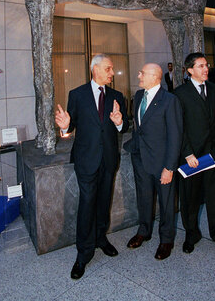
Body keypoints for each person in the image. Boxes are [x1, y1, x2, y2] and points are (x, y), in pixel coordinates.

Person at [55, 54, 129, 280]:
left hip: (108, 159)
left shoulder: (117, 96)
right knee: (87, 204)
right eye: (108, 68)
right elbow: (70, 125)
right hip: (86, 160)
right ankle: (83, 253)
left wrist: (119, 122)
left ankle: (100, 238)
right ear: (95, 69)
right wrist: (66, 128)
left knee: (104, 201)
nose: (111, 73)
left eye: (112, 69)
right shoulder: (77, 94)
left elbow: (124, 125)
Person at [124, 63, 183, 260]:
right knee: (144, 198)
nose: (138, 74)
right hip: (140, 158)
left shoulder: (169, 100)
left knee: (166, 203)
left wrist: (169, 167)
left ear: (155, 77)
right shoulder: (139, 96)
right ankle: (144, 231)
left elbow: (175, 136)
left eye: (142, 73)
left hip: (162, 163)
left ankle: (166, 240)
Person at [174, 52, 215, 256]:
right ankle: (191, 234)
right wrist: (187, 152)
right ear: (190, 70)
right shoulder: (179, 93)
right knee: (190, 197)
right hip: (192, 157)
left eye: (206, 65)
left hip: (213, 153)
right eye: (200, 66)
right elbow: (178, 127)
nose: (206, 69)